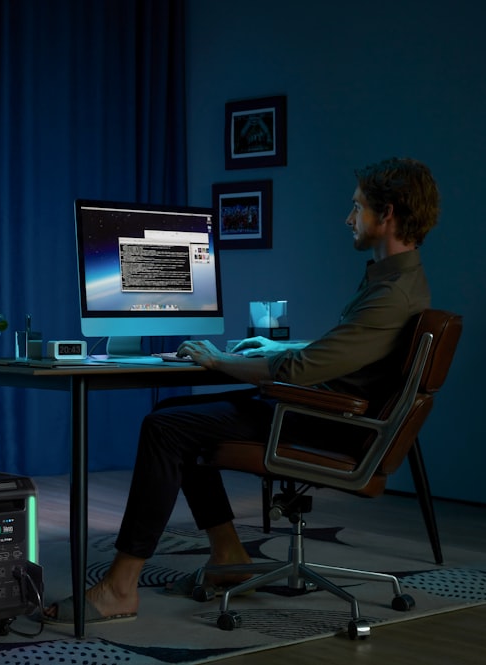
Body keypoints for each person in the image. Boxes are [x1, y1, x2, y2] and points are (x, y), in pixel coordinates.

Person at [45, 156, 440, 624]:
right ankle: (230, 556)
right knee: (176, 415)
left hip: (322, 422)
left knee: (164, 428)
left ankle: (120, 587)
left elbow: (297, 371)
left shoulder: (390, 294)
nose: (348, 217)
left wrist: (217, 359)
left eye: (356, 207)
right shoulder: (399, 282)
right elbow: (351, 348)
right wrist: (279, 343)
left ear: (387, 213)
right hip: (333, 416)